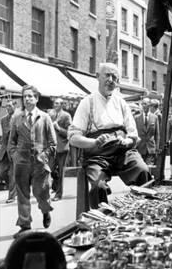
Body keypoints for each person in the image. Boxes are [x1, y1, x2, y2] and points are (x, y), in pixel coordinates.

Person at [68, 63, 151, 209]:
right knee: (98, 186)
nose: (111, 80)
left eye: (115, 77)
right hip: (97, 156)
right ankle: (101, 221)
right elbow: (73, 138)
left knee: (143, 171)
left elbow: (134, 135)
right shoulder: (87, 102)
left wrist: (126, 142)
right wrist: (93, 142)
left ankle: (141, 213)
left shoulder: (121, 103)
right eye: (107, 75)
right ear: (97, 77)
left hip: (122, 152)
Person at [8, 85, 56, 237]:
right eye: (25, 96)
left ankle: (46, 210)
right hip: (21, 162)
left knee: (41, 191)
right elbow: (11, 142)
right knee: (22, 194)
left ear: (36, 98)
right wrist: (15, 156)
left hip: (39, 162)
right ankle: (25, 224)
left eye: (30, 96)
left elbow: (53, 143)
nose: (27, 99)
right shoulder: (17, 117)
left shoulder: (45, 117)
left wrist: (44, 156)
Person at [48, 98, 72, 201]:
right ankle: (55, 186)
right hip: (52, 148)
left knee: (61, 172)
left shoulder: (66, 116)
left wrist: (58, 128)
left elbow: (69, 133)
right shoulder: (51, 115)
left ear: (62, 105)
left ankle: (58, 194)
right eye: (55, 103)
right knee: (51, 169)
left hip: (62, 148)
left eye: (58, 103)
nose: (55, 105)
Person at [0, 99, 17, 203]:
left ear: (15, 106)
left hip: (15, 150)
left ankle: (12, 196)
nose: (8, 108)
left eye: (10, 106)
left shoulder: (19, 118)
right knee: (2, 172)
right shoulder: (3, 119)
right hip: (5, 150)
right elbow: (4, 137)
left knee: (12, 174)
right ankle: (15, 188)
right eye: (7, 107)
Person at [135, 97, 160, 166]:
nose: (143, 106)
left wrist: (157, 148)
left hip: (150, 148)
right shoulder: (136, 118)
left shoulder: (155, 117)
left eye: (145, 104)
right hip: (140, 148)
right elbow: (134, 134)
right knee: (141, 169)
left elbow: (157, 134)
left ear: (149, 105)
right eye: (142, 104)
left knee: (149, 169)